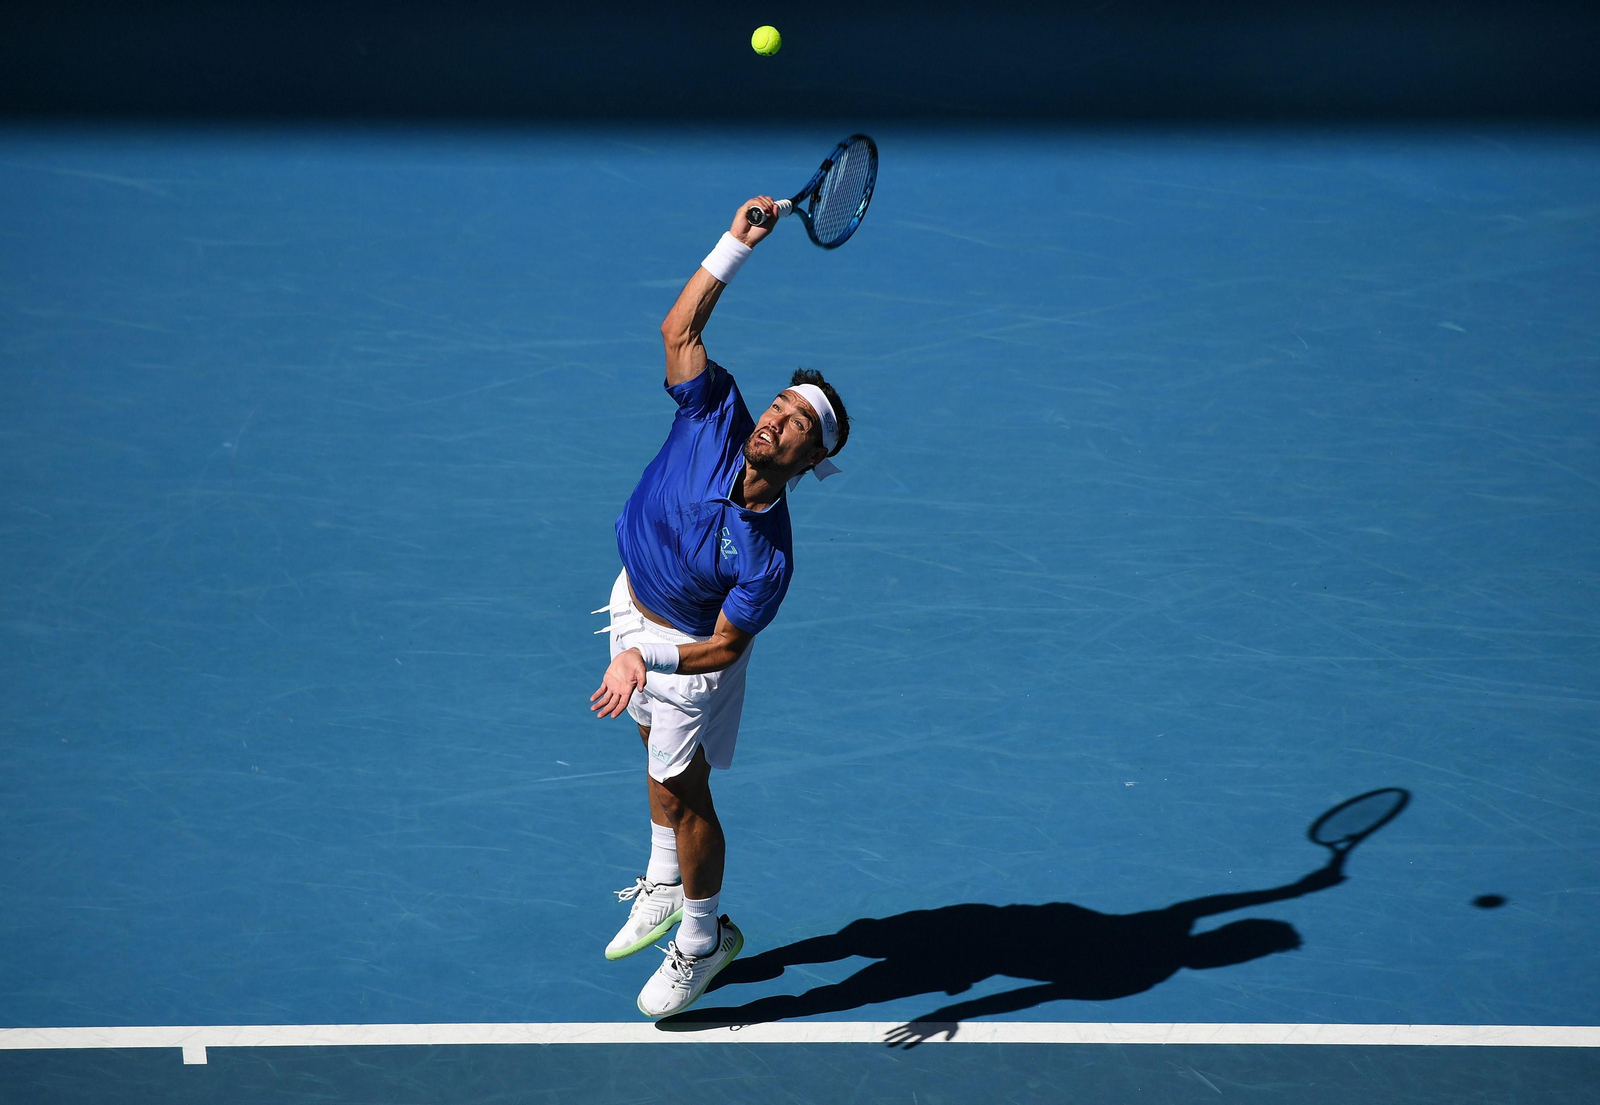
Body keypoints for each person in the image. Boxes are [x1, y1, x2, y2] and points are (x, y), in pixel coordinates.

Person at [589, 195, 852, 1018]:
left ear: (812, 460)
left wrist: (647, 657)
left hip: (687, 649)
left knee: (684, 786)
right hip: (631, 597)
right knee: (652, 753)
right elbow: (679, 331)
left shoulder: (769, 556)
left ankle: (703, 940)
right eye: (780, 403)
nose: (777, 415)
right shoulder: (714, 410)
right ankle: (666, 876)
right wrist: (735, 245)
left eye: (798, 422)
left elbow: (724, 651)